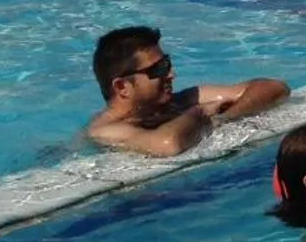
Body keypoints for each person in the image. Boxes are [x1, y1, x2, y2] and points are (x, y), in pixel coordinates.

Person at [87, 25, 290, 158]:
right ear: (122, 87)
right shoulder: (106, 131)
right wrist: (200, 113)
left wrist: (225, 117)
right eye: (158, 69)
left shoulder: (178, 101)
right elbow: (168, 144)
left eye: (167, 64)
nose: (171, 74)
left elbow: (274, 88)